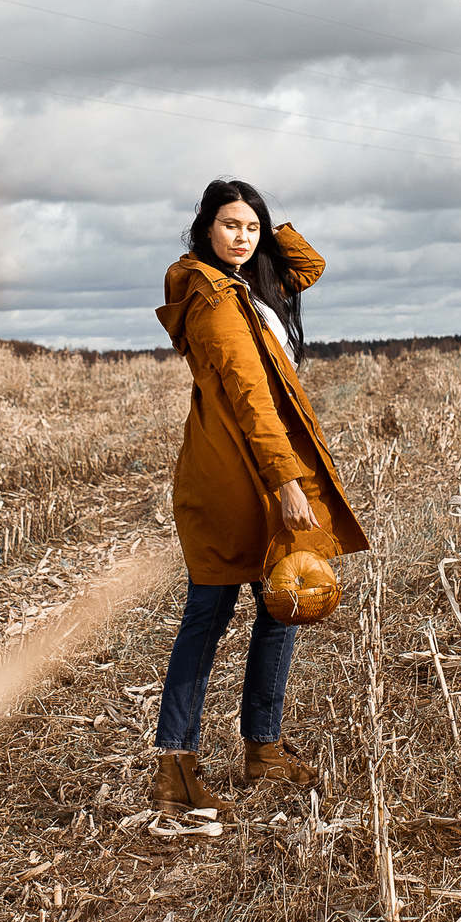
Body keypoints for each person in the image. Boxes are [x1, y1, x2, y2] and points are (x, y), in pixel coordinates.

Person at [149, 178, 370, 812]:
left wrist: (265, 230)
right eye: (229, 226)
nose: (242, 238)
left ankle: (263, 752)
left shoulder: (246, 285)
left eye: (250, 226)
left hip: (253, 468)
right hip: (235, 477)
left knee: (282, 605)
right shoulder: (215, 300)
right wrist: (286, 480)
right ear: (204, 230)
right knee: (209, 618)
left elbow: (310, 265)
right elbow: (252, 399)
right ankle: (176, 767)